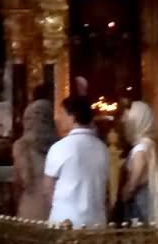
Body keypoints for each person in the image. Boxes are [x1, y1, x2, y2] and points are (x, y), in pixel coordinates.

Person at [43, 94, 110, 229]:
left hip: (65, 221)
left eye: (62, 114)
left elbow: (47, 188)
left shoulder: (60, 148)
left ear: (72, 117)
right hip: (96, 220)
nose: (58, 118)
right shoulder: (103, 148)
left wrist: (61, 207)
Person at [117, 100, 158, 225]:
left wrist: (124, 195)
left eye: (126, 119)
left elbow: (134, 182)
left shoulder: (140, 149)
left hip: (138, 206)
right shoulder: (149, 144)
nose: (123, 122)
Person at [12, 97, 57, 222]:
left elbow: (23, 180)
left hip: (32, 206)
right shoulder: (60, 144)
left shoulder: (22, 145)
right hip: (56, 206)